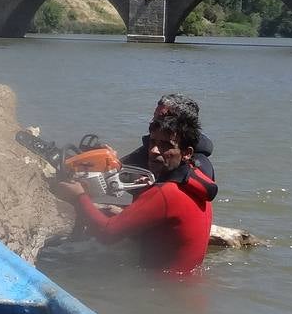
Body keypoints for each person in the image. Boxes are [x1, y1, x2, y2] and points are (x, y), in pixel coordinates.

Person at [54, 112, 214, 274]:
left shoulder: (166, 193)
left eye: (166, 145)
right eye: (152, 142)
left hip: (158, 288)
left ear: (187, 152)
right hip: (184, 285)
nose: (154, 150)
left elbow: (107, 235)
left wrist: (79, 196)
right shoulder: (197, 180)